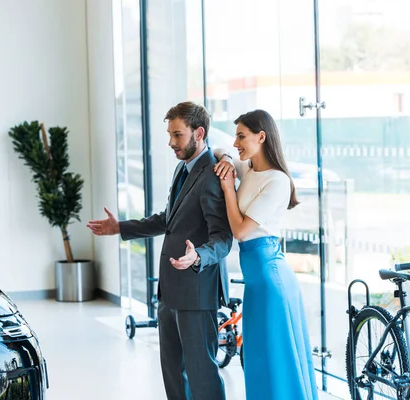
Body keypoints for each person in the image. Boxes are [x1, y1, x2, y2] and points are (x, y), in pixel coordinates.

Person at [87, 101, 232, 400]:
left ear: (199, 133)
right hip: (170, 290)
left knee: (201, 375)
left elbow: (223, 238)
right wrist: (121, 228)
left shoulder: (212, 175)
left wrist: (198, 256)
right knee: (173, 373)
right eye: (170, 135)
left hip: (196, 291)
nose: (171, 143)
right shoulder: (183, 169)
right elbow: (169, 219)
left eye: (177, 135)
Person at [213, 109, 318, 399]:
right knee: (258, 358)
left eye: (242, 136)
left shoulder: (277, 180)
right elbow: (219, 148)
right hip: (256, 281)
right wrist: (224, 158)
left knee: (277, 360)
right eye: (236, 135)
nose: (236, 143)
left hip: (271, 279)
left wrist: (227, 190)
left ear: (262, 136)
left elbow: (241, 231)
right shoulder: (249, 170)